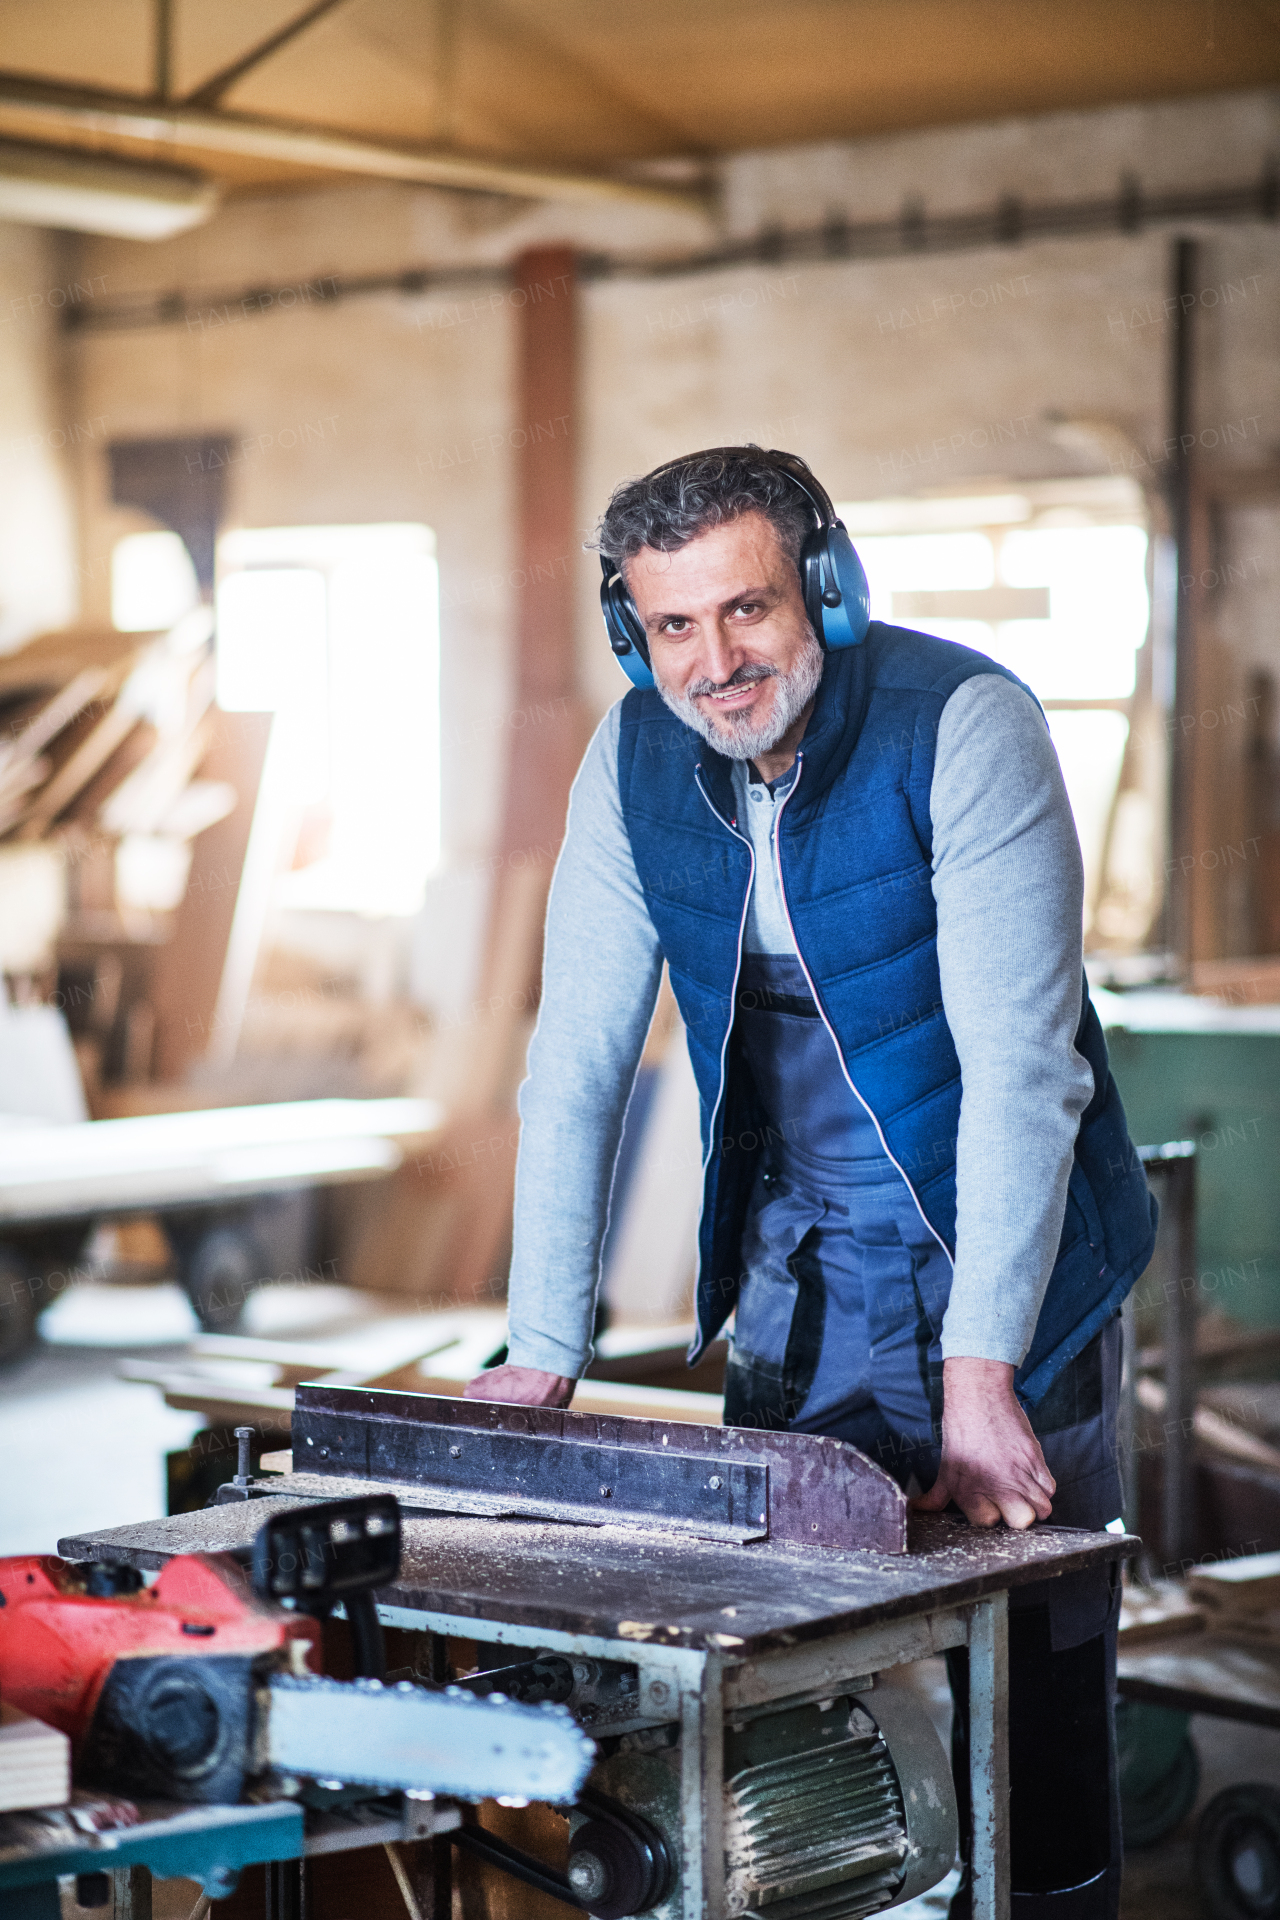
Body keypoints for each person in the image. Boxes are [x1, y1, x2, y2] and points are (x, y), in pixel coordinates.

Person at [467, 446, 1156, 1919]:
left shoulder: (963, 726)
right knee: (783, 1675)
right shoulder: (634, 766)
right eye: (671, 629)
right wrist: (541, 1353)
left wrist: (987, 1372)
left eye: (748, 611)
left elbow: (1021, 1075)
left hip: (1008, 1263)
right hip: (806, 1272)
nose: (713, 665)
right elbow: (575, 1064)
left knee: (1025, 1689)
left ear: (826, 592)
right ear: (630, 635)